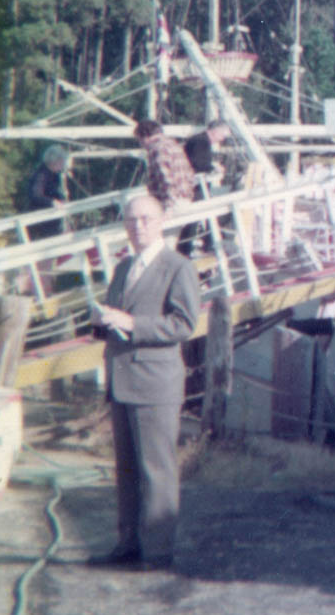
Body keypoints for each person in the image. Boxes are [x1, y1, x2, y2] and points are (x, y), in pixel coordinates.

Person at [87, 193, 201, 570]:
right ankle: (128, 543)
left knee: (156, 470)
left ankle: (157, 552)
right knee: (127, 470)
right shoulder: (124, 267)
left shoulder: (178, 267)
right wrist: (102, 322)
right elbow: (117, 319)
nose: (138, 227)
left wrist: (133, 323)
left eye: (146, 219)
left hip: (155, 384)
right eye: (131, 220)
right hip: (121, 381)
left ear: (162, 221)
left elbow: (184, 324)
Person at [179, 119, 231, 256]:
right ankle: (186, 248)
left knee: (197, 217)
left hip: (197, 185)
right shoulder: (201, 141)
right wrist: (213, 167)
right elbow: (198, 163)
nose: (222, 139)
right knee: (194, 216)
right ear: (216, 130)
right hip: (195, 186)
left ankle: (195, 245)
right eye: (222, 136)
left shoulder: (200, 140)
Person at [133, 118, 196, 212]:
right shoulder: (173, 144)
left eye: (139, 140)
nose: (141, 144)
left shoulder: (157, 149)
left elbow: (165, 178)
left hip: (172, 202)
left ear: (145, 136)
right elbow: (190, 173)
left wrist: (168, 205)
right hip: (185, 196)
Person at [24, 144, 70, 239]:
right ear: (56, 161)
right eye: (62, 162)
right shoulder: (41, 174)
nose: (63, 164)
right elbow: (35, 195)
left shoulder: (56, 174)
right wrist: (52, 202)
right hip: (42, 222)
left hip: (53, 220)